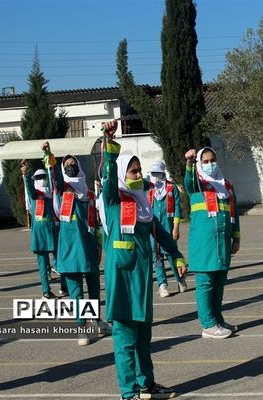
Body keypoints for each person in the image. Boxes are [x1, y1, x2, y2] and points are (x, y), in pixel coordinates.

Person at [99, 120, 186, 399]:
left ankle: (146, 385)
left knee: (143, 337)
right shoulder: (113, 200)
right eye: (133, 170)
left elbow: (160, 232)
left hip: (141, 279)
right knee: (125, 340)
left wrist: (177, 254)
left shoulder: (143, 204)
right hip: (121, 279)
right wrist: (110, 145)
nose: (138, 174)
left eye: (139, 170)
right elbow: (110, 178)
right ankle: (129, 393)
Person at [43, 142, 110, 345]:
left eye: (73, 164)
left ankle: (97, 321)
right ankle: (81, 328)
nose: (70, 167)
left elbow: (97, 224)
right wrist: (49, 155)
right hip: (69, 246)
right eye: (67, 166)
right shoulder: (63, 190)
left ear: (79, 167)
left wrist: (99, 246)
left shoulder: (89, 193)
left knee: (93, 286)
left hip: (88, 245)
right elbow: (54, 176)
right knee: (75, 290)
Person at [184, 147, 240, 339]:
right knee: (205, 283)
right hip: (204, 243)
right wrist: (190, 164)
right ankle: (208, 324)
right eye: (205, 161)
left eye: (212, 160)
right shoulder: (198, 184)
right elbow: (188, 182)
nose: (210, 164)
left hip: (222, 242)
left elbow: (234, 213)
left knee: (219, 283)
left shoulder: (226, 185)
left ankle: (217, 319)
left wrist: (236, 237)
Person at [20, 164, 64, 298]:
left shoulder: (52, 194)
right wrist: (25, 175)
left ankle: (65, 286)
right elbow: (29, 188)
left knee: (60, 262)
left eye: (43, 177)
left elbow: (58, 182)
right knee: (43, 266)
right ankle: (46, 290)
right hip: (40, 235)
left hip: (53, 231)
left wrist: (52, 167)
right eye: (38, 177)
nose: (41, 179)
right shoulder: (35, 195)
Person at [146, 160, 187, 297]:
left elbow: (177, 208)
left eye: (158, 173)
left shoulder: (171, 187)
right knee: (156, 257)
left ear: (163, 173)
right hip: (153, 230)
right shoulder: (149, 189)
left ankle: (180, 279)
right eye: (154, 173)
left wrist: (176, 227)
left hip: (168, 228)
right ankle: (162, 284)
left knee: (171, 255)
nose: (156, 176)